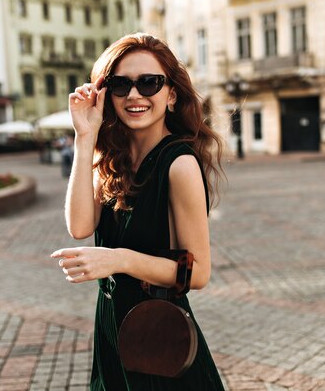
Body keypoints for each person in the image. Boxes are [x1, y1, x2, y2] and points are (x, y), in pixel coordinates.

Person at [50, 33, 225, 390]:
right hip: (114, 328)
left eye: (149, 83)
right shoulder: (112, 161)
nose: (134, 95)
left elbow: (197, 273)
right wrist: (85, 137)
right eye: (121, 84)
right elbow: (79, 226)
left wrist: (118, 260)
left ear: (171, 94)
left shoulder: (179, 165)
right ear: (106, 93)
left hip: (159, 334)